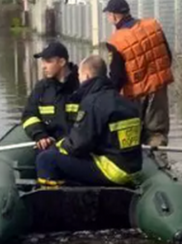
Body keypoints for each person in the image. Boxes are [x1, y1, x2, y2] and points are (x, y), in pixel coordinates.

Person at [35, 54, 143, 188]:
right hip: (133, 168)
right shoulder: (124, 101)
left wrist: (56, 147)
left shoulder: (92, 103)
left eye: (79, 75)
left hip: (112, 170)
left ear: (86, 76)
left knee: (46, 159)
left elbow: (78, 145)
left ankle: (54, 202)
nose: (79, 80)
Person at [102, 0, 173, 148]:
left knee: (133, 132)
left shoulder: (116, 41)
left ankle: (138, 163)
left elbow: (116, 77)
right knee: (157, 132)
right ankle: (160, 163)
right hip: (158, 89)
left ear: (114, 16)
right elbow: (167, 56)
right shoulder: (153, 25)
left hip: (135, 94)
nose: (108, 18)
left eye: (108, 15)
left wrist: (109, 97)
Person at [21, 40, 80, 151]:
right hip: (50, 147)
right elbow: (29, 115)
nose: (43, 66)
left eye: (48, 62)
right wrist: (40, 135)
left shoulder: (81, 86)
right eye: (42, 61)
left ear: (62, 62)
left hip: (76, 148)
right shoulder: (41, 88)